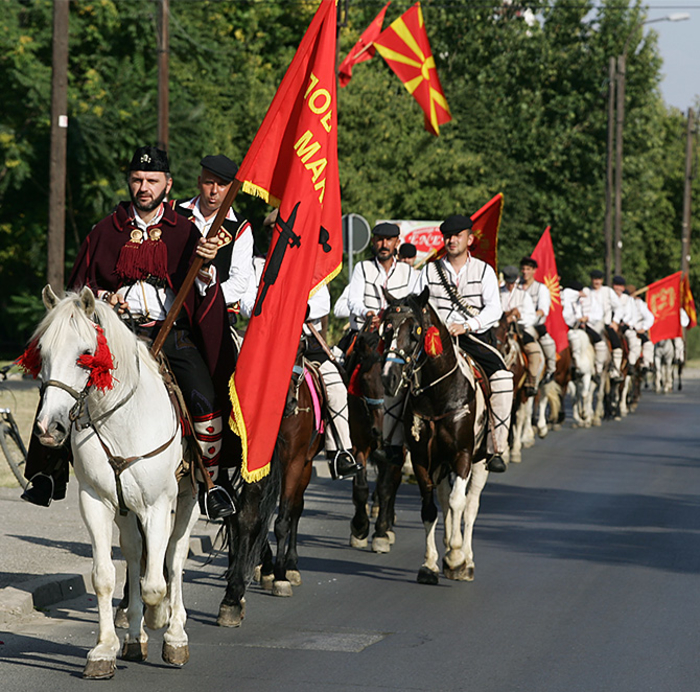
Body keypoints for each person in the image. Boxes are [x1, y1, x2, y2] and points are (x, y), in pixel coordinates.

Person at [21, 146, 236, 520]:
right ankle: (47, 474)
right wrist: (104, 299)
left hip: (169, 335)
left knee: (203, 396)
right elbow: (79, 289)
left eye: (152, 180)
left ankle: (211, 484)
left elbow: (202, 291)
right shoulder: (106, 230)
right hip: (115, 336)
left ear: (168, 184)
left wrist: (204, 267)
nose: (144, 187)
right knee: (58, 384)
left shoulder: (187, 232)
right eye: (137, 179)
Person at [240, 232, 362, 480]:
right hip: (265, 340)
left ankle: (339, 452)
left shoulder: (311, 263)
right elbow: (245, 302)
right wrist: (274, 309)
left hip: (305, 344)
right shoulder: (257, 264)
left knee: (336, 388)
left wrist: (293, 308)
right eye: (277, 232)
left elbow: (322, 304)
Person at [415, 214, 514, 473]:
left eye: (458, 235)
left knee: (503, 378)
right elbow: (417, 303)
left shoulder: (484, 270)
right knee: (402, 373)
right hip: (435, 340)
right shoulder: (429, 269)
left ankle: (496, 447)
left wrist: (469, 325)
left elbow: (494, 309)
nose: (452, 240)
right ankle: (397, 443)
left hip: (472, 338)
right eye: (448, 236)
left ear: (469, 239)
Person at [171, 154, 254, 329]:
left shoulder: (240, 228)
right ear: (199, 181)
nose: (214, 191)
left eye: (222, 185)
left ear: (232, 188)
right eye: (209, 183)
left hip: (219, 316)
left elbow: (239, 282)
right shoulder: (173, 212)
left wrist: (204, 302)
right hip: (172, 313)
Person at [347, 222, 418, 333]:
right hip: (365, 333)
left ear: (397, 243)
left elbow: (415, 303)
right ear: (373, 242)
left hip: (396, 336)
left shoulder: (407, 271)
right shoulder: (362, 267)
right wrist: (366, 312)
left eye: (389, 240)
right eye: (380, 240)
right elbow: (354, 301)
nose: (384, 245)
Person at [500, 265, 543, 397]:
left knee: (534, 350)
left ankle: (531, 381)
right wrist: (504, 316)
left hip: (518, 329)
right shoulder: (497, 292)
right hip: (499, 329)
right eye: (508, 282)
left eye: (512, 282)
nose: (510, 286)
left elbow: (531, 316)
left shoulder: (523, 295)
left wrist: (519, 316)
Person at [519, 256, 557, 382]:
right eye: (523, 269)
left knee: (548, 342)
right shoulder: (516, 286)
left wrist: (529, 318)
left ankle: (550, 368)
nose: (525, 272)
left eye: (528, 269)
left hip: (533, 324)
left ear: (534, 270)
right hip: (515, 324)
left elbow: (542, 310)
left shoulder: (541, 288)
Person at [583, 269, 623, 382]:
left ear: (602, 280)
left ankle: (616, 369)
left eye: (599, 279)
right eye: (595, 279)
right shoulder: (586, 291)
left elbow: (618, 307)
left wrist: (615, 321)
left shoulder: (607, 291)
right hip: (588, 324)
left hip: (604, 323)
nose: (597, 282)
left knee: (616, 344)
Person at [627, 284, 655, 370]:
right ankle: (630, 363)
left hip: (637, 329)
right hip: (626, 328)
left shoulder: (640, 304)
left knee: (648, 344)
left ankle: (646, 364)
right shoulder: (623, 301)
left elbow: (649, 317)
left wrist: (644, 328)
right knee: (634, 344)